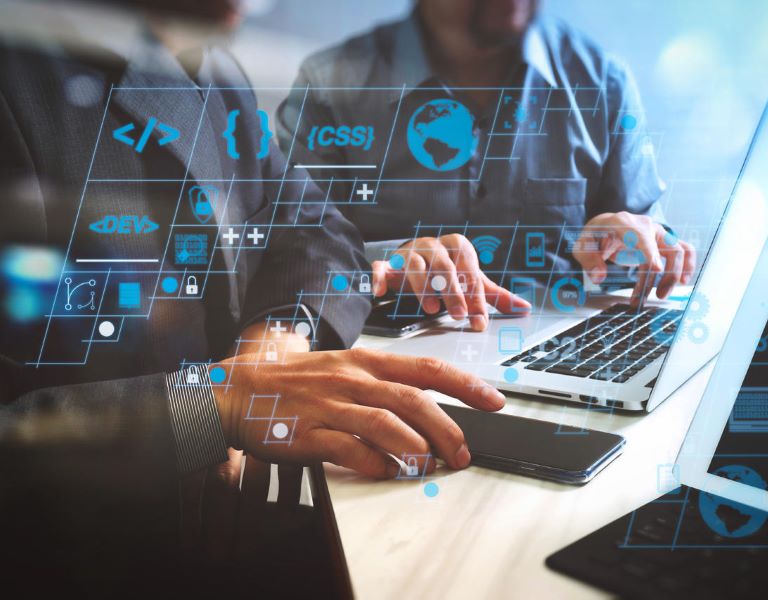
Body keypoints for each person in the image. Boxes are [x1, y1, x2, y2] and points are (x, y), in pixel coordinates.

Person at [0, 0, 504, 590]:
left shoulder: (212, 69)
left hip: (213, 533)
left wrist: (274, 346)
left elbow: (313, 226)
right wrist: (213, 406)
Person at [277, 0, 697, 326]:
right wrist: (386, 265)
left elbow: (648, 252)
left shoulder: (603, 82)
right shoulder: (331, 86)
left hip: (558, 369)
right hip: (389, 378)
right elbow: (289, 264)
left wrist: (635, 247)